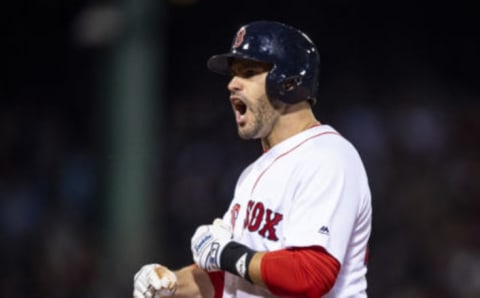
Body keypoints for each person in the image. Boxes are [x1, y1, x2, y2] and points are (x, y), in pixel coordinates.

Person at [133, 20, 372, 298]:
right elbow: (234, 279)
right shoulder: (252, 174)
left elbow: (311, 274)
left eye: (248, 73)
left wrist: (225, 253)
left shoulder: (328, 156)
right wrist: (170, 283)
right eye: (233, 74)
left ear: (289, 81)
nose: (232, 84)